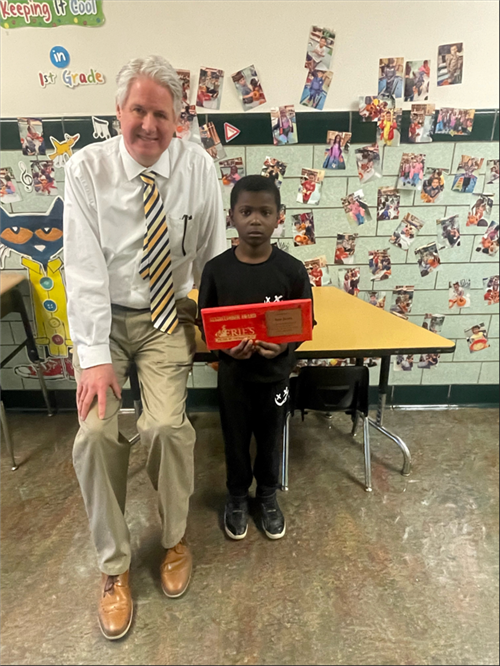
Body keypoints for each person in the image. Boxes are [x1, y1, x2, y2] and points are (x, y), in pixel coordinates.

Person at [63, 55, 226, 640]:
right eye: (139, 110)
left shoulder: (199, 167)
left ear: (178, 119)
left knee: (164, 428)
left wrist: (221, 326)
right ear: (119, 112)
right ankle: (114, 569)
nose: (150, 125)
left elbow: (211, 254)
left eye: (162, 113)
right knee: (96, 433)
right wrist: (94, 359)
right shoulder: (85, 170)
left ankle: (176, 539)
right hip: (105, 317)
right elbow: (80, 268)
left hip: (167, 314)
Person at [198, 175, 313, 541]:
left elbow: (303, 323)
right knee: (233, 439)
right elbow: (206, 324)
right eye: (246, 211)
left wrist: (284, 348)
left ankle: (266, 496)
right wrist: (223, 349)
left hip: (275, 376)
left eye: (265, 212)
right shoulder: (216, 270)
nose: (255, 220)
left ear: (280, 216)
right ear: (231, 216)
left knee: (270, 439)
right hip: (233, 377)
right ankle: (235, 496)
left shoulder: (292, 270)